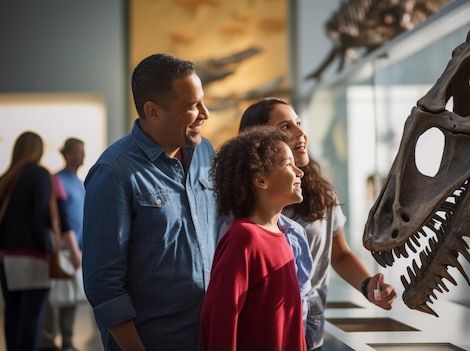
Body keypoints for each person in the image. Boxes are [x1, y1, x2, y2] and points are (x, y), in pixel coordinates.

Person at [82, 53, 220, 350]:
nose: (205, 113)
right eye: (192, 106)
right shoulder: (113, 173)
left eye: (202, 101)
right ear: (153, 112)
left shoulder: (205, 153)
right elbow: (104, 285)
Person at [240, 97, 398, 350]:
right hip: (260, 334)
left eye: (299, 123)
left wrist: (369, 285)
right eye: (285, 127)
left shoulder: (321, 194)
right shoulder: (235, 204)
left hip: (308, 331)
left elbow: (340, 254)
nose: (301, 133)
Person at [200, 125, 306, 350]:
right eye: (288, 164)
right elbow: (220, 318)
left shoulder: (281, 236)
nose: (299, 172)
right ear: (260, 180)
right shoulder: (244, 238)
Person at [0, 131, 55, 351]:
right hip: (32, 255)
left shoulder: (6, 178)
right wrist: (48, 249)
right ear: (38, 149)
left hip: (6, 257)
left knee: (12, 313)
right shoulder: (39, 174)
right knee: (31, 316)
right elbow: (40, 215)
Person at [40, 138, 86, 351]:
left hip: (78, 249)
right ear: (66, 154)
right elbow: (56, 216)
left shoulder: (80, 183)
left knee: (71, 299)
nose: (82, 156)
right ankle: (48, 341)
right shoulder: (56, 180)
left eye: (83, 152)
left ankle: (67, 341)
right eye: (78, 152)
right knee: (52, 299)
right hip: (61, 249)